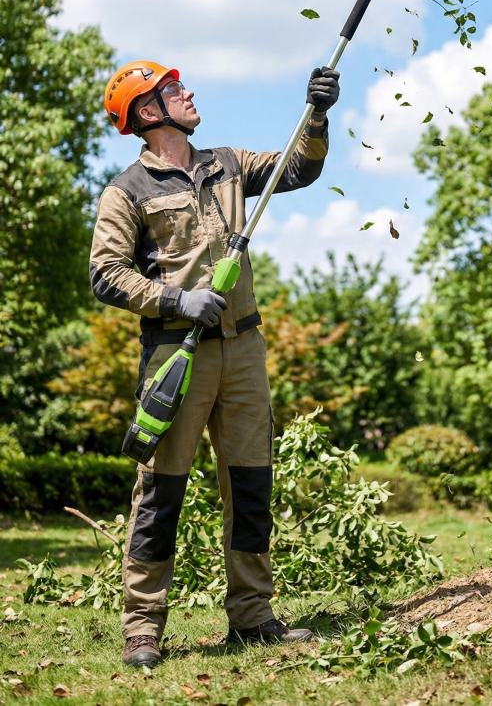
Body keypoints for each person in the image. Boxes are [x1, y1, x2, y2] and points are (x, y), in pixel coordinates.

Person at [89, 59, 339, 668]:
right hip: (174, 354)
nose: (189, 91)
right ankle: (143, 627)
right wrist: (178, 299)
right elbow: (105, 274)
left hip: (244, 351)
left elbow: (297, 170)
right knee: (161, 491)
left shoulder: (224, 163)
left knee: (251, 485)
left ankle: (252, 618)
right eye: (173, 89)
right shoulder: (129, 190)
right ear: (149, 112)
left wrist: (318, 116)